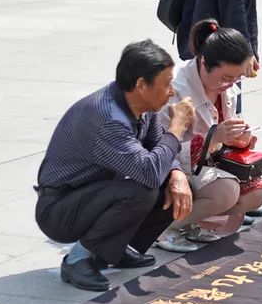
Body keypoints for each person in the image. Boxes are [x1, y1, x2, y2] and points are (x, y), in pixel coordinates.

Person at [34, 40, 196, 291]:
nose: (171, 92)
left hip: (94, 194)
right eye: (166, 83)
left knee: (178, 187)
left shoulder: (143, 106)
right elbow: (149, 172)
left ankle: (115, 249)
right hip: (59, 209)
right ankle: (77, 260)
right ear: (141, 84)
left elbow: (157, 146)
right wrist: (176, 128)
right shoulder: (108, 118)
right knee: (142, 190)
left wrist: (176, 173)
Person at [155, 20, 262, 252]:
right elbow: (160, 147)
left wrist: (239, 139)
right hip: (167, 170)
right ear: (204, 63)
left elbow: (221, 137)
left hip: (202, 165)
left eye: (236, 78)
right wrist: (214, 138)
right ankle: (158, 228)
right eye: (225, 78)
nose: (229, 84)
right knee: (227, 190)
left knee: (256, 192)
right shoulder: (175, 88)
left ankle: (192, 223)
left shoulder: (225, 84)